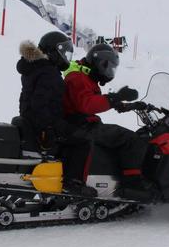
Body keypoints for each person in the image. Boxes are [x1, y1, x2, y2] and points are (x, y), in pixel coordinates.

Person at [62, 43, 151, 199]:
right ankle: (132, 185)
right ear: (99, 62)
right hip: (81, 125)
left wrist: (128, 105)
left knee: (119, 137)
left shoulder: (84, 75)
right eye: (108, 67)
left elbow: (95, 100)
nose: (109, 72)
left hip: (82, 123)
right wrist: (115, 97)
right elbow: (87, 104)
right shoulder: (77, 77)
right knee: (131, 140)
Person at [17, 31, 96, 197]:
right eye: (64, 52)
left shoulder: (35, 68)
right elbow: (41, 107)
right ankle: (73, 183)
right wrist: (57, 127)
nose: (65, 57)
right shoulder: (48, 73)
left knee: (73, 133)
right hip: (43, 128)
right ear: (54, 51)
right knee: (83, 140)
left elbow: (36, 103)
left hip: (34, 122)